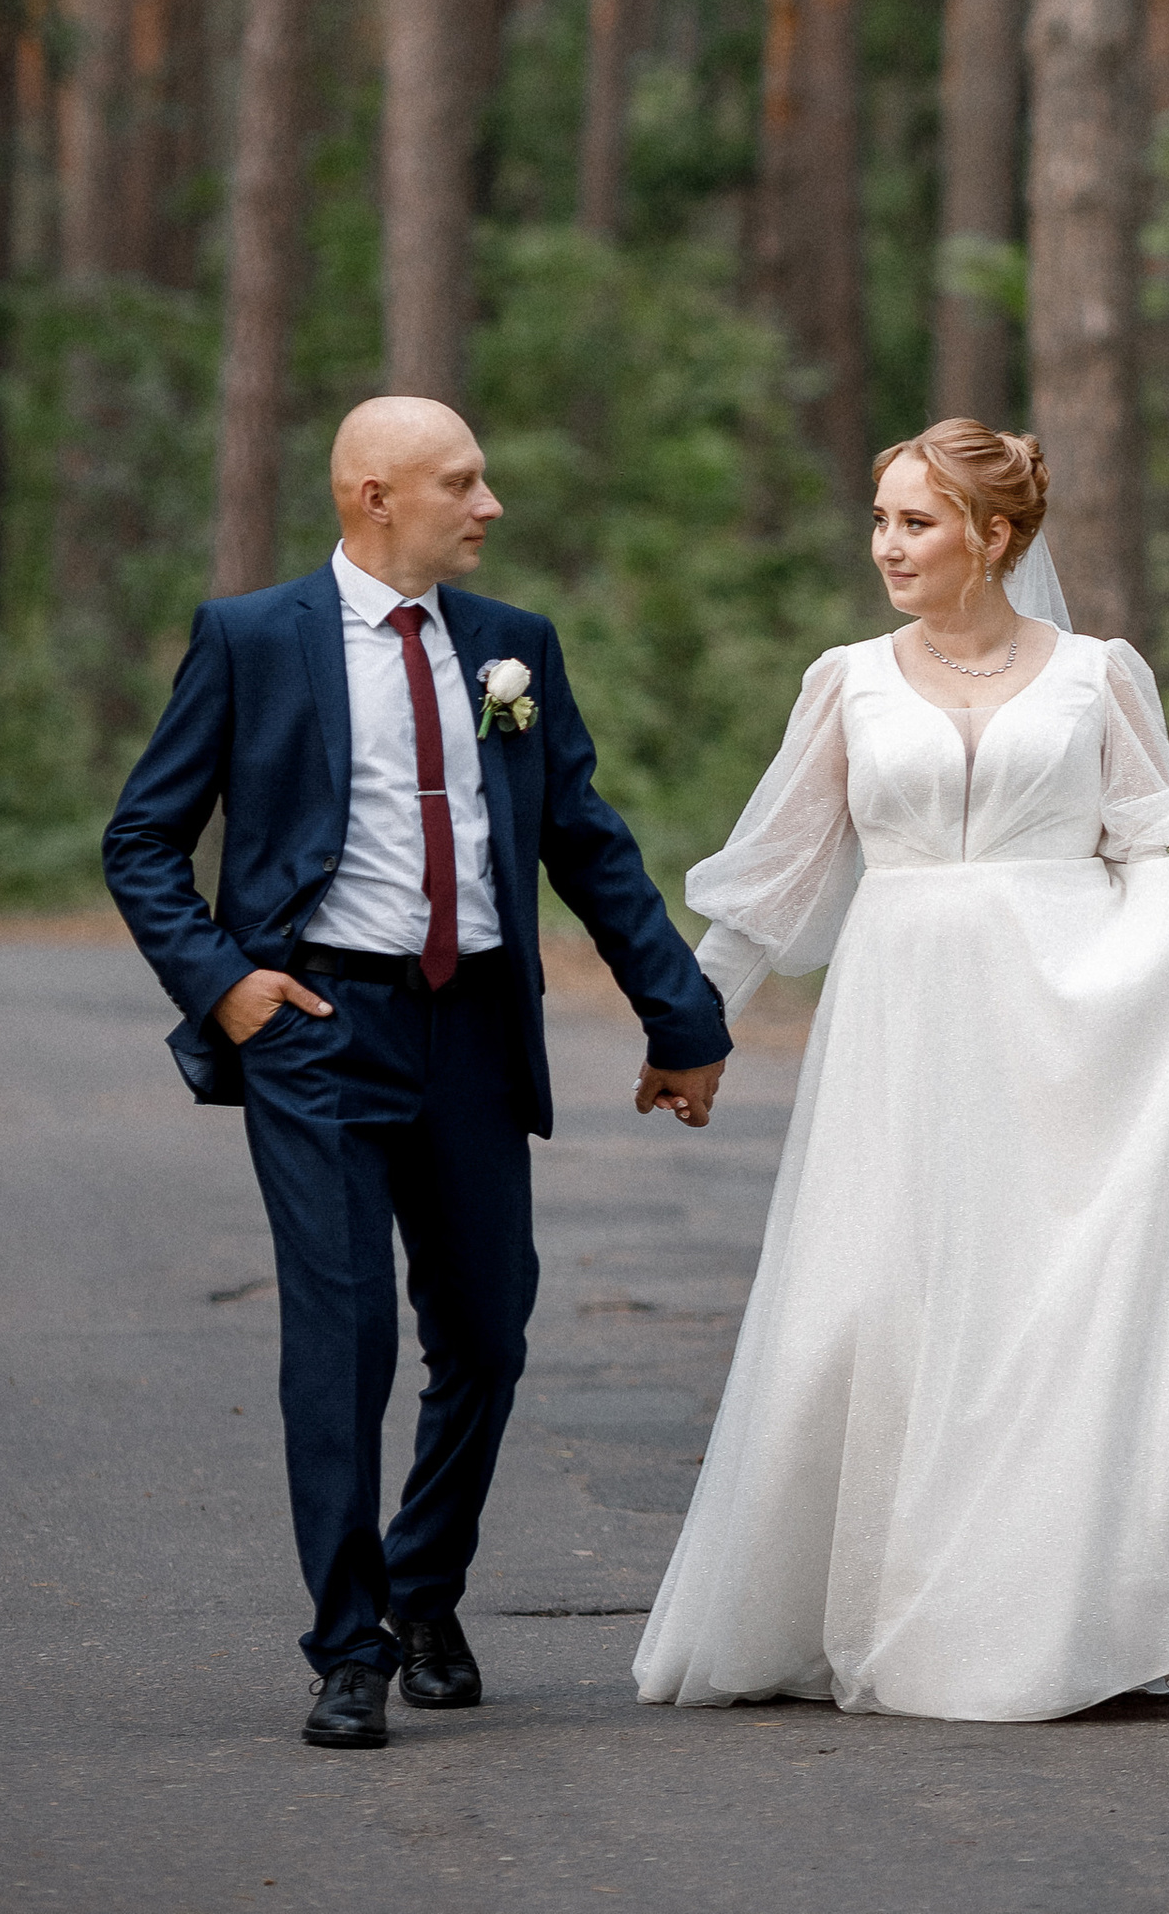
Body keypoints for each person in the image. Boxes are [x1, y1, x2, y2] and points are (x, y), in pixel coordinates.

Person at [634, 416, 1169, 1721]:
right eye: (880, 521)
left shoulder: (1099, 676)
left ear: (995, 535)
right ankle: (854, 1597)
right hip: (904, 1014)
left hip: (1061, 1015)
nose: (887, 547)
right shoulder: (847, 683)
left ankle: (1042, 1610)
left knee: (1036, 1305)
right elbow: (775, 877)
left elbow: (1157, 826)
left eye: (915, 523)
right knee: (881, 1300)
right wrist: (695, 1024)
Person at [103, 395, 733, 1751]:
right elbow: (144, 840)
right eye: (464, 482)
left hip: (470, 1035)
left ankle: (421, 1590)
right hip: (319, 1032)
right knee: (345, 1344)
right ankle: (347, 1648)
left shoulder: (513, 649)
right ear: (376, 495)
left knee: (488, 1334)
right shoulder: (251, 639)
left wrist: (681, 1019)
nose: (490, 503)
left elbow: (586, 841)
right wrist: (227, 987)